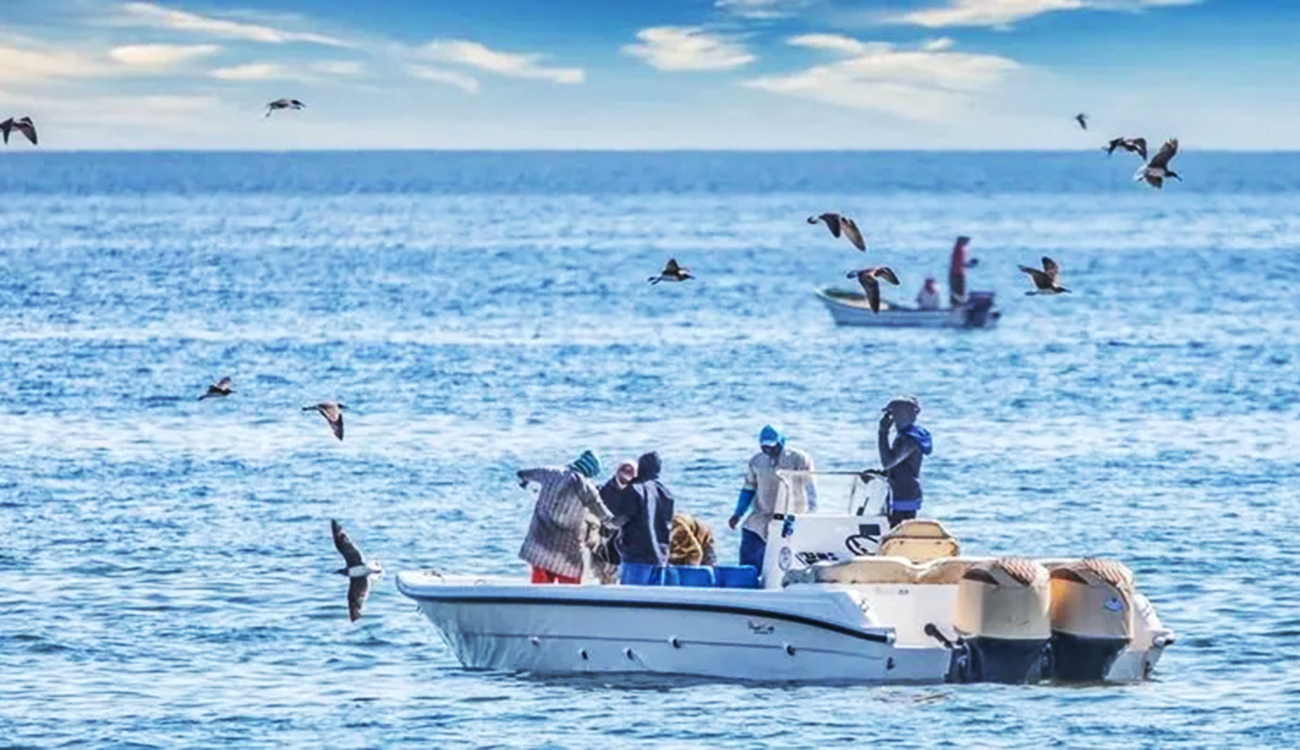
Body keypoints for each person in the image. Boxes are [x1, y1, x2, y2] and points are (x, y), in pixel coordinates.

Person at [728, 425, 817, 574]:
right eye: (765, 447)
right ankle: (749, 580)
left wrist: (812, 512)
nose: (769, 450)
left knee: (784, 556)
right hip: (762, 514)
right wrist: (738, 514)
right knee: (750, 537)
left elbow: (811, 487)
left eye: (772, 446)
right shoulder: (756, 461)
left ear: (781, 442)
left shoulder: (799, 458)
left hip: (791, 516)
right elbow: (748, 489)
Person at [517, 450, 614, 584]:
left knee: (540, 592)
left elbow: (523, 473)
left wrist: (525, 483)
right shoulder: (586, 487)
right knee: (570, 591)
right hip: (568, 553)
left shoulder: (550, 472)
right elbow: (604, 515)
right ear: (590, 472)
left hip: (540, 546)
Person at [608, 452, 675, 584]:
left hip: (636, 556)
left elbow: (619, 520)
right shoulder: (666, 493)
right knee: (654, 601)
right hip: (660, 556)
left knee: (630, 599)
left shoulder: (635, 489)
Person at [873, 396, 933, 528]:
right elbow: (899, 467)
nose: (893, 417)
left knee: (900, 530)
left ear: (912, 413)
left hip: (905, 494)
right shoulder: (904, 435)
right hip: (899, 491)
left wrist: (882, 432)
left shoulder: (911, 439)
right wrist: (879, 474)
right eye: (892, 413)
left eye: (897, 412)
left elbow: (888, 462)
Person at [590, 460, 637, 584]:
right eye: (624, 469)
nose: (626, 474)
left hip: (625, 551)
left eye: (630, 471)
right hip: (602, 548)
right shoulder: (601, 491)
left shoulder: (638, 493)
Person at [948, 236, 976, 308]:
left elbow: (960, 262)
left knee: (959, 291)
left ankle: (958, 305)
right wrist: (968, 265)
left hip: (958, 273)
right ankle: (958, 306)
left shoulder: (960, 249)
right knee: (958, 291)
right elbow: (959, 262)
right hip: (957, 274)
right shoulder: (959, 249)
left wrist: (968, 264)